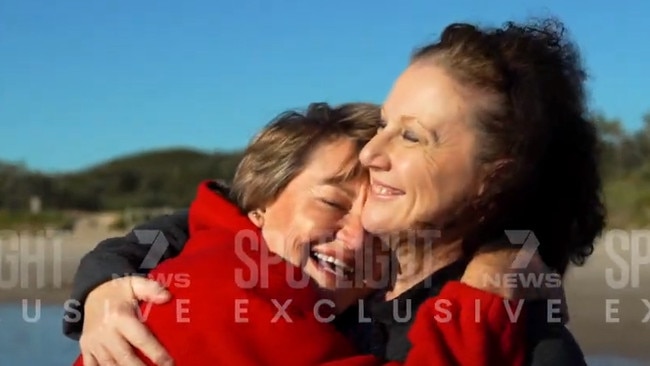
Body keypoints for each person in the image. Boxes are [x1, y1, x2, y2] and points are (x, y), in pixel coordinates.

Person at [65, 17, 601, 365]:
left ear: (494, 175)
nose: (374, 153)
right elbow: (203, 225)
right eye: (388, 123)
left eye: (413, 135)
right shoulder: (262, 282)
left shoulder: (529, 341)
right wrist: (103, 285)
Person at [70, 102, 530, 366]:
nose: (354, 239)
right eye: (331, 203)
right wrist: (488, 289)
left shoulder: (222, 262)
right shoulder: (234, 294)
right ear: (259, 204)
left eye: (379, 231)